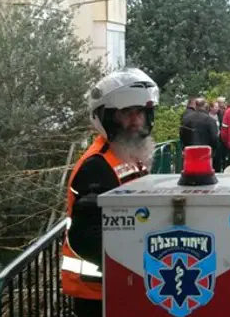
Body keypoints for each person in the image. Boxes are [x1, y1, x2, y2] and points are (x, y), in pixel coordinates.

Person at [62, 68, 159, 317]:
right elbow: (87, 236)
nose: (136, 121)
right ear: (107, 118)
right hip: (98, 289)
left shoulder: (126, 156)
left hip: (121, 282)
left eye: (140, 112)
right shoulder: (97, 165)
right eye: (126, 113)